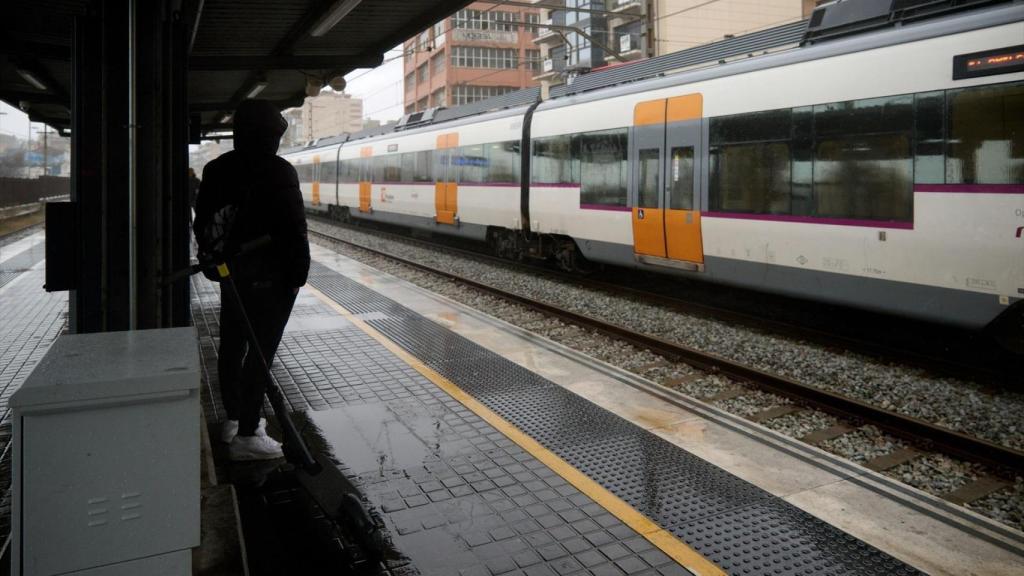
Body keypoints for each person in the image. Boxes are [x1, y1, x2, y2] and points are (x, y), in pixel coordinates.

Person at [193, 100, 310, 461]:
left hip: (233, 275)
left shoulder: (217, 168)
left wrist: (214, 263)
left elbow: (203, 220)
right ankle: (248, 433)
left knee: (232, 345)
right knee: (261, 355)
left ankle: (232, 419)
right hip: (272, 278)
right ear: (270, 137)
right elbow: (293, 229)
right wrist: (297, 277)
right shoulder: (278, 171)